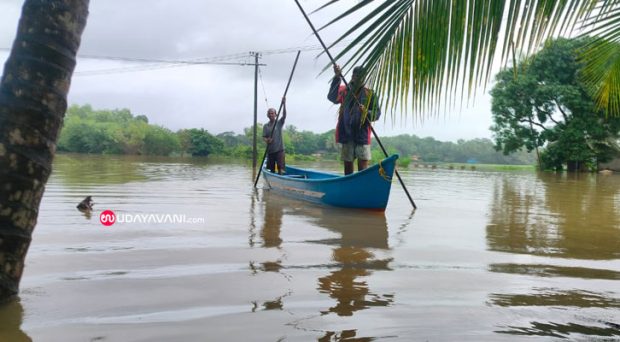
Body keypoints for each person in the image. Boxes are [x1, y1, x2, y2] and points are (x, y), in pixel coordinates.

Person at [328, 65, 381, 175]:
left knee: (363, 168)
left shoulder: (370, 94)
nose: (357, 79)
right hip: (347, 134)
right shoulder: (345, 91)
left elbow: (377, 114)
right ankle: (348, 188)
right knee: (348, 167)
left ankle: (362, 187)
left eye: (360, 77)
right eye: (355, 76)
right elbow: (332, 97)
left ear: (364, 79)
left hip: (362, 135)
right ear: (352, 77)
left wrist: (366, 112)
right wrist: (337, 77)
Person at [262, 97, 287, 174]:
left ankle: (281, 178)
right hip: (270, 151)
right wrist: (267, 140)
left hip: (279, 150)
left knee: (280, 169)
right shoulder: (266, 126)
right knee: (271, 170)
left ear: (276, 115)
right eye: (269, 113)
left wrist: (284, 104)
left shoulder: (279, 123)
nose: (271, 114)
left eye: (273, 113)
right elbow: (264, 137)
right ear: (267, 115)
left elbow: (284, 116)